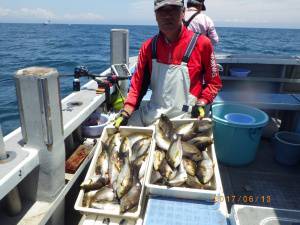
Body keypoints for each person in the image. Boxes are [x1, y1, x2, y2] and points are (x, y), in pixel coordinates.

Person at [114, 0, 222, 128]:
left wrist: (203, 101)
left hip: (187, 118)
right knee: (118, 133)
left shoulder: (203, 44)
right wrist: (126, 111)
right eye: (162, 10)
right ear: (155, 15)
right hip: (154, 113)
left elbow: (214, 82)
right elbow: (137, 86)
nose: (167, 15)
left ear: (183, 12)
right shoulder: (148, 47)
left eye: (173, 9)